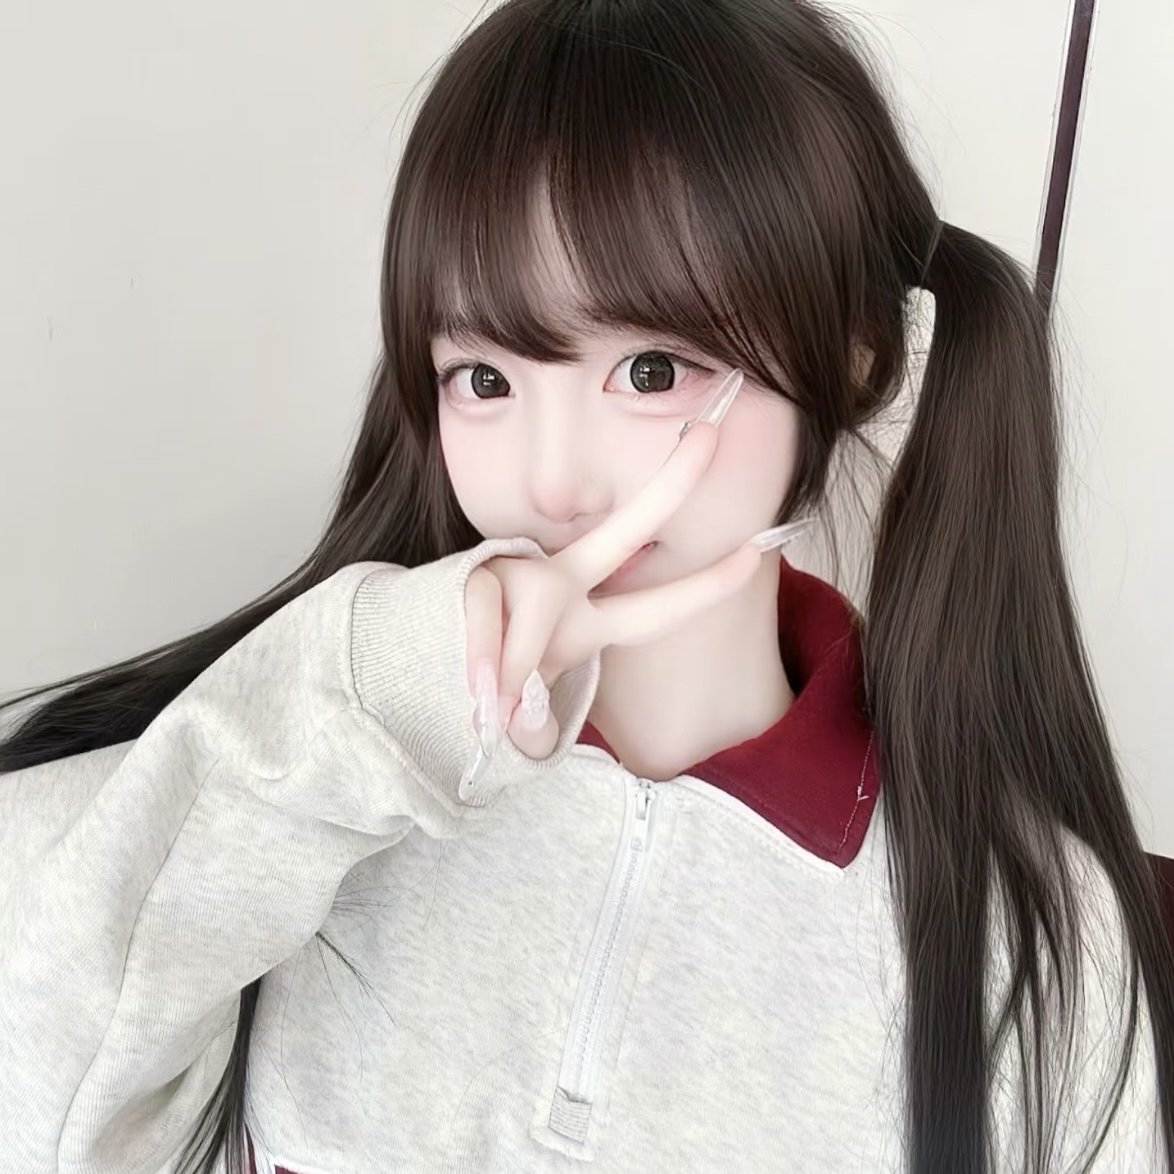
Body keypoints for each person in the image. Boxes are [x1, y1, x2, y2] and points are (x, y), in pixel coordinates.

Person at [1, 0, 1170, 1170]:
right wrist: (382, 696)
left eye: (650, 369)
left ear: (850, 360)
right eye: (484, 379)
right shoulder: (327, 789)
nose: (551, 481)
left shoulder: (1038, 946)